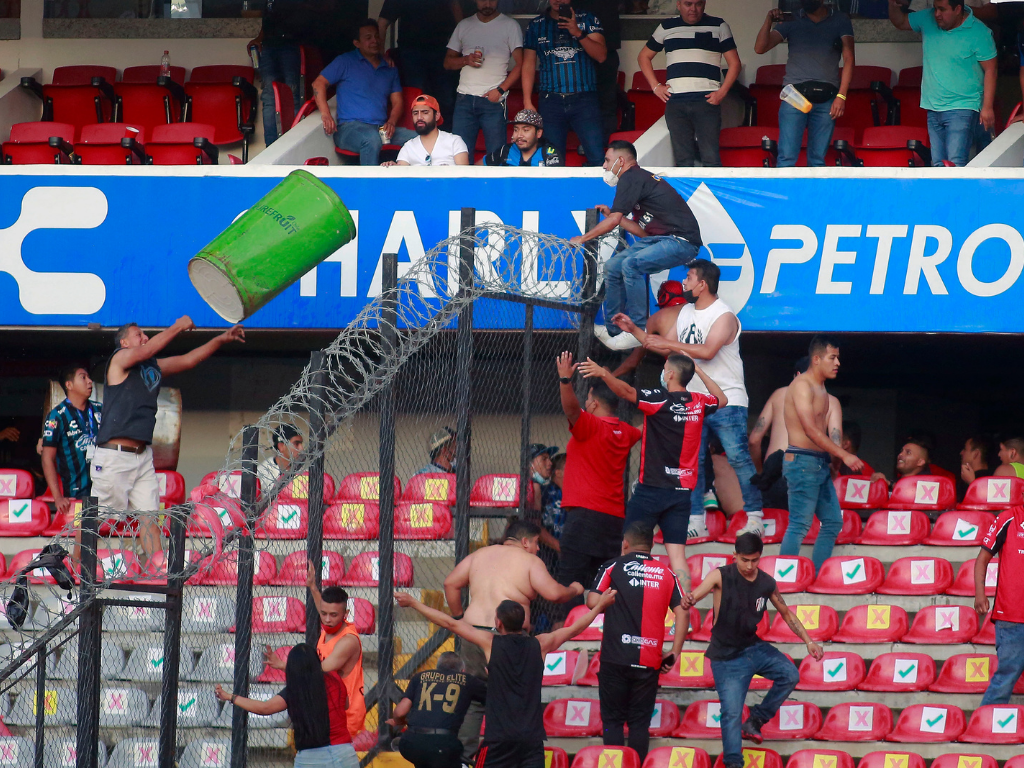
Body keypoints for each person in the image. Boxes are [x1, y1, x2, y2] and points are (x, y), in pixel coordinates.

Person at [611, 260, 762, 540]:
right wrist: (634, 330)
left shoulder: (724, 315)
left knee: (739, 457)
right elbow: (659, 344)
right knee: (694, 461)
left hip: (726, 398)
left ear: (703, 284)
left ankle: (755, 517)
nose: (685, 283)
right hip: (694, 400)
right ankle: (696, 519)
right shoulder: (685, 313)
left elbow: (706, 351)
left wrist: (669, 344)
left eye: (690, 277)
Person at [395, 587, 617, 768]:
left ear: (498, 623)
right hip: (531, 740)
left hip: (498, 740)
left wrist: (414, 603)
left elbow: (450, 623)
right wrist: (598, 606)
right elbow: (575, 629)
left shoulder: (491, 643)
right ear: (523, 624)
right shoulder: (540, 644)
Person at [92, 319, 244, 562]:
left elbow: (189, 360)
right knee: (95, 520)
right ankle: (71, 567)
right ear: (124, 342)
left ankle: (157, 572)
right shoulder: (119, 359)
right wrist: (177, 326)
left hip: (143, 456)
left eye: (145, 334)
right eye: (138, 334)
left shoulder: (150, 367)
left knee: (150, 518)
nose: (144, 337)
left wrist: (220, 339)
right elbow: (147, 350)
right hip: (114, 455)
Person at [577, 353, 726, 592]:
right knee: (677, 555)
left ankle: (615, 603)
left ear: (670, 375)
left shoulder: (659, 399)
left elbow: (626, 392)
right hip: (681, 494)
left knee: (627, 547)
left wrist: (604, 373)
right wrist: (697, 370)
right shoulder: (698, 402)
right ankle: (683, 613)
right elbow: (722, 399)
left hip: (651, 490)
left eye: (665, 367)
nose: (663, 370)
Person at [443, 518, 584, 760]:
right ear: (526, 541)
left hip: (474, 633)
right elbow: (554, 593)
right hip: (508, 639)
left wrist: (459, 618)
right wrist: (575, 589)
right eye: (538, 543)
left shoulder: (480, 555)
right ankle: (514, 758)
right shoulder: (529, 560)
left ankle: (465, 760)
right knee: (515, 696)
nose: (539, 549)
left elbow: (450, 584)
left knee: (475, 699)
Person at [682, 533, 824, 768]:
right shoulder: (721, 575)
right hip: (726, 657)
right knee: (731, 713)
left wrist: (809, 641)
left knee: (790, 674)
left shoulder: (767, 582)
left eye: (754, 560)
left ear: (760, 557)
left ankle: (756, 720)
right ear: (734, 555)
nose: (749, 566)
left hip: (753, 647)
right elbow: (697, 593)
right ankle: (734, 763)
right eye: (744, 560)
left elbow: (786, 612)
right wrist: (689, 600)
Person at [572, 141, 701, 346]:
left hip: (681, 241)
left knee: (630, 265)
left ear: (621, 161)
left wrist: (583, 238)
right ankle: (614, 329)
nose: (604, 166)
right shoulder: (637, 179)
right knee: (613, 266)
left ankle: (637, 330)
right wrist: (616, 217)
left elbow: (614, 221)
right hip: (659, 238)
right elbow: (643, 232)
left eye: (607, 160)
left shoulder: (631, 176)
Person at [553, 352, 641, 618]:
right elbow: (649, 423)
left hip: (584, 518)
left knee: (570, 584)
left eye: (588, 398)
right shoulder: (626, 432)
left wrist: (565, 380)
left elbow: (570, 409)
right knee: (602, 586)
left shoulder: (589, 426)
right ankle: (600, 638)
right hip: (614, 521)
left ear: (592, 402)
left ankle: (565, 639)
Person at [590, 522, 686, 762]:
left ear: (625, 543)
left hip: (615, 658)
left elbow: (593, 601)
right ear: (651, 545)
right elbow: (683, 612)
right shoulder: (666, 573)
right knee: (639, 724)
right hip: (649, 660)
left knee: (612, 721)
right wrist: (674, 651)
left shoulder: (612, 566)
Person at [781, 335, 863, 570]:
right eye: (832, 357)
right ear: (816, 359)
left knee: (832, 522)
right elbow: (810, 430)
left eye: (838, 358)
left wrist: (835, 462)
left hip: (818, 463)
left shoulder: (822, 388)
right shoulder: (802, 385)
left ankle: (817, 576)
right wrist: (844, 455)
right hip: (801, 461)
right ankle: (786, 581)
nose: (837, 363)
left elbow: (822, 432)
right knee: (799, 524)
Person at [888, 0, 996, 166]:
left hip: (963, 107)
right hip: (933, 106)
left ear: (958, 9)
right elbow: (900, 22)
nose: (936, 14)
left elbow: (991, 70)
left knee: (955, 163)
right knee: (938, 165)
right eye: (935, 8)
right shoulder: (927, 18)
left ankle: (955, 193)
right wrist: (893, 4)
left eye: (942, 9)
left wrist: (987, 107)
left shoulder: (979, 31)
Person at [216, 644, 359, 768]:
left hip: (311, 759)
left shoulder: (294, 690)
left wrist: (231, 697)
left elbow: (264, 708)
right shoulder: (335, 679)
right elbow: (345, 704)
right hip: (344, 754)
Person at [267, 562, 365, 737]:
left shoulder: (347, 642)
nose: (327, 619)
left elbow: (318, 672)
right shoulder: (330, 624)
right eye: (323, 614)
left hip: (346, 716)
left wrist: (283, 665)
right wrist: (313, 587)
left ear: (346, 614)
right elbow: (324, 607)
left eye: (333, 615)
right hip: (328, 710)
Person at [753, 1, 854, 167]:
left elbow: (849, 58)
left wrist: (841, 96)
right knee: (786, 157)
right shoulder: (792, 18)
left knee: (817, 161)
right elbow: (759, 48)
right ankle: (786, 194)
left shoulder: (840, 19)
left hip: (827, 96)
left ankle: (813, 194)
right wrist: (768, 21)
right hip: (795, 95)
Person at [640, 0, 741, 167]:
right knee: (682, 160)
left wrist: (721, 93)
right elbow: (643, 56)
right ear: (678, 4)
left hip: (706, 100)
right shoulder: (666, 27)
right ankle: (684, 195)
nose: (693, 9)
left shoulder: (719, 25)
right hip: (676, 101)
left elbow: (734, 64)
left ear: (704, 4)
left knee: (711, 158)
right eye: (688, 4)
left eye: (698, 4)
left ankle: (709, 194)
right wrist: (655, 87)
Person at [313, 20, 417, 166]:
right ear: (357, 43)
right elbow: (318, 83)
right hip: (349, 129)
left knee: (419, 138)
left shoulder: (389, 67)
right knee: (371, 138)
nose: (374, 41)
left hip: (381, 129)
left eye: (376, 36)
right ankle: (369, 187)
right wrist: (325, 114)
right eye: (368, 38)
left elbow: (398, 101)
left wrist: (391, 122)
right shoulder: (345, 61)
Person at [522, 0, 608, 165]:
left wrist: (577, 32)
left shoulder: (588, 18)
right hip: (550, 101)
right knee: (552, 160)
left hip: (584, 98)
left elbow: (601, 55)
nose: (558, 0)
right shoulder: (536, 25)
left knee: (597, 156)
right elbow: (528, 64)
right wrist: (527, 100)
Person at [445, 0, 524, 157]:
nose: (487, 3)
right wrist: (466, 60)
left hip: (493, 101)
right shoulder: (464, 25)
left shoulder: (510, 25)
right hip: (464, 99)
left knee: (496, 156)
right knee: (459, 156)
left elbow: (522, 64)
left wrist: (500, 90)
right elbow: (447, 62)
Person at [386, 652, 487, 768]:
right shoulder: (467, 680)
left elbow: (399, 712)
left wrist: (400, 721)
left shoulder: (420, 677)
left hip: (411, 742)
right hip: (443, 744)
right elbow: (494, 698)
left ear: (437, 668)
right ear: (462, 670)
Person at [378, 0, 464, 128]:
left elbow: (456, 10)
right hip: (411, 53)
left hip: (441, 50)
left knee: (446, 100)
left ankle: (445, 141)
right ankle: (419, 141)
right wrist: (381, 55)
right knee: (419, 98)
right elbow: (382, 23)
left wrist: (465, 43)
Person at [42, 366, 102, 518]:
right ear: (69, 385)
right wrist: (58, 497)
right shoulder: (56, 416)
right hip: (76, 495)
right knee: (84, 536)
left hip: (104, 489)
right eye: (83, 377)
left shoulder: (101, 410)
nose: (90, 381)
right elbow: (47, 458)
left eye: (89, 377)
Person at [576, 0, 622, 141]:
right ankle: (582, 143)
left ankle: (604, 147)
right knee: (576, 102)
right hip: (574, 51)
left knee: (606, 103)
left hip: (606, 48)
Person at [384, 95, 471, 166]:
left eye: (425, 112)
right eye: (415, 113)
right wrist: (392, 167)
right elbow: (401, 175)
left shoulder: (455, 141)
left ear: (437, 116)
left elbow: (463, 178)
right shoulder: (408, 146)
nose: (419, 117)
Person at [481, 109, 563, 166]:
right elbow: (476, 170)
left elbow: (556, 184)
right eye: (516, 130)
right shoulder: (505, 151)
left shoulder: (549, 153)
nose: (519, 135)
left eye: (526, 130)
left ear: (539, 133)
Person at [257, 424, 304, 489]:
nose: (301, 449)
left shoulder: (303, 472)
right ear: (281, 446)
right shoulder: (263, 473)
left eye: (301, 444)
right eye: (296, 444)